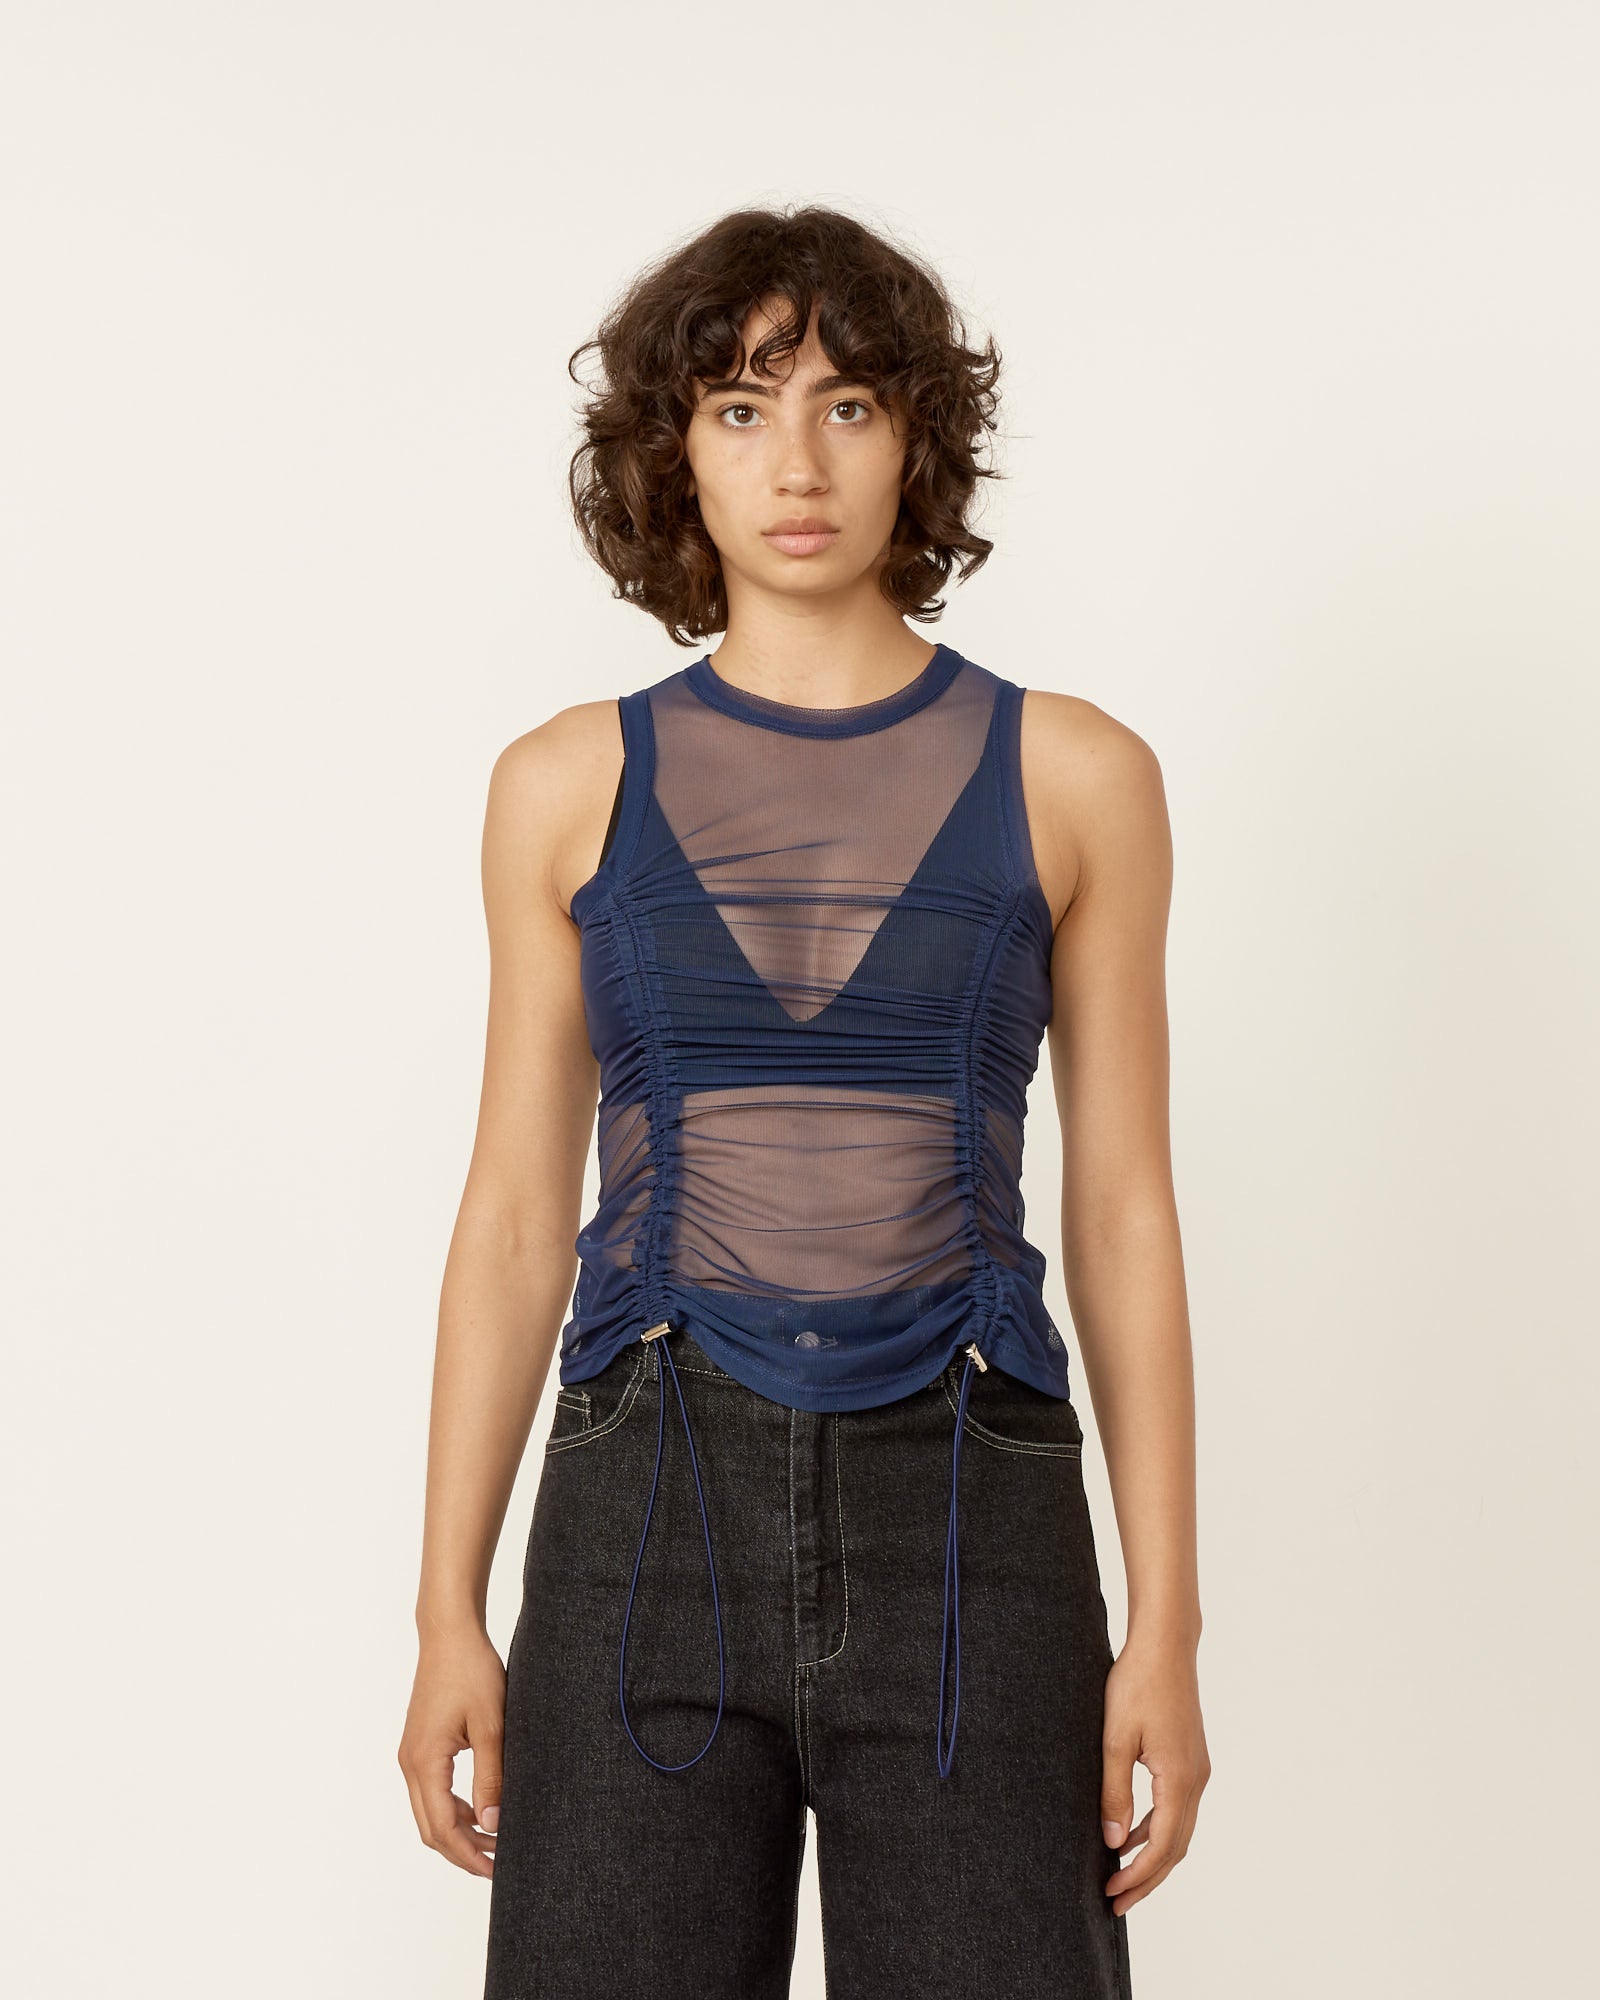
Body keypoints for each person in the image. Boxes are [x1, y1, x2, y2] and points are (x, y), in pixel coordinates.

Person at [398, 203, 1209, 2000]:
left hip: (975, 1506)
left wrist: (1168, 1625)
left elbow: (1123, 1209)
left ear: (916, 437)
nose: (797, 463)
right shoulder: (563, 784)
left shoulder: (1078, 775)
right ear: (673, 453)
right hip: (643, 1502)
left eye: (846, 405)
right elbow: (516, 1215)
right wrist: (446, 1605)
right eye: (741, 408)